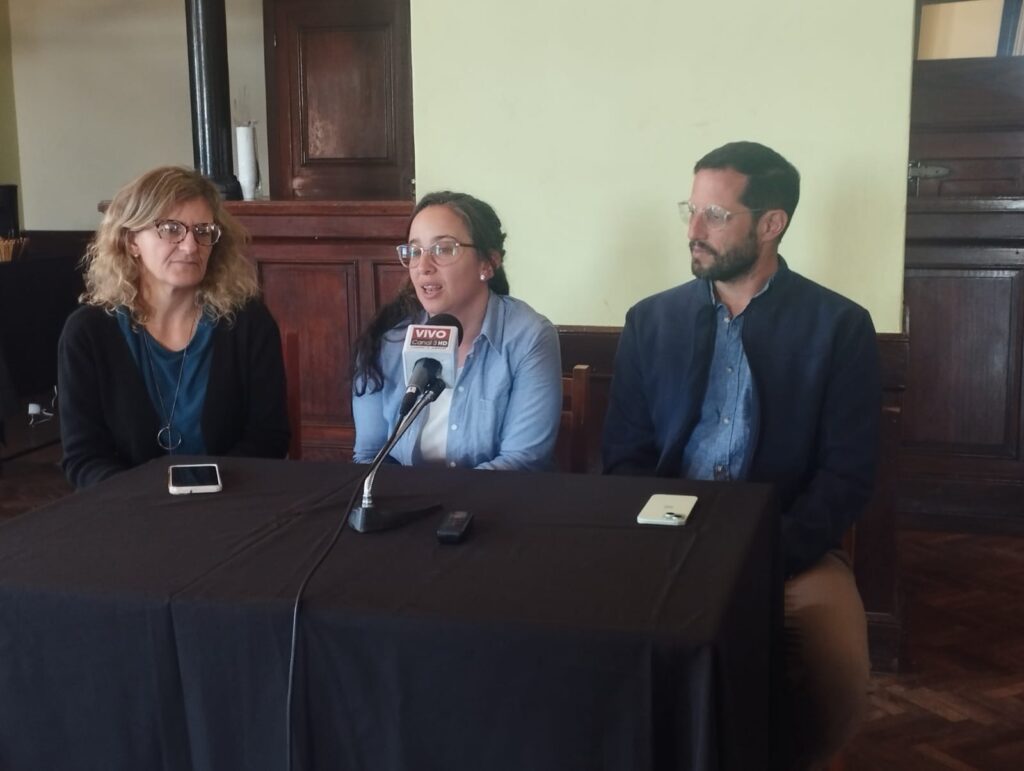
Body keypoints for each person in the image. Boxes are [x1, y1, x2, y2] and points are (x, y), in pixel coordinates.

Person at [602, 141, 880, 769]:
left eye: (717, 215)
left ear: (771, 223)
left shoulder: (838, 327)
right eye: (691, 210)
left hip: (789, 549)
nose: (694, 230)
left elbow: (846, 475)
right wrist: (665, 535)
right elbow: (624, 456)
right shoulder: (651, 321)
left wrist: (769, 553)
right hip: (665, 540)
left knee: (836, 669)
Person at [58, 166, 289, 489]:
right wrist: (144, 499)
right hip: (128, 507)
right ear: (131, 241)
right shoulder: (87, 333)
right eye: (170, 229)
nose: (191, 246)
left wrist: (208, 492)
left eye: (203, 231)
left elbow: (269, 438)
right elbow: (84, 457)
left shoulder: (248, 322)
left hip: (232, 502)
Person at [352, 191, 561, 471]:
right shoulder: (389, 338)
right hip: (403, 497)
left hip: (496, 497)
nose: (423, 267)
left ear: (487, 263)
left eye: (443, 249)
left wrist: (442, 497)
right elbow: (369, 455)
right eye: (415, 252)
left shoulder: (528, 337)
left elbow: (522, 460)